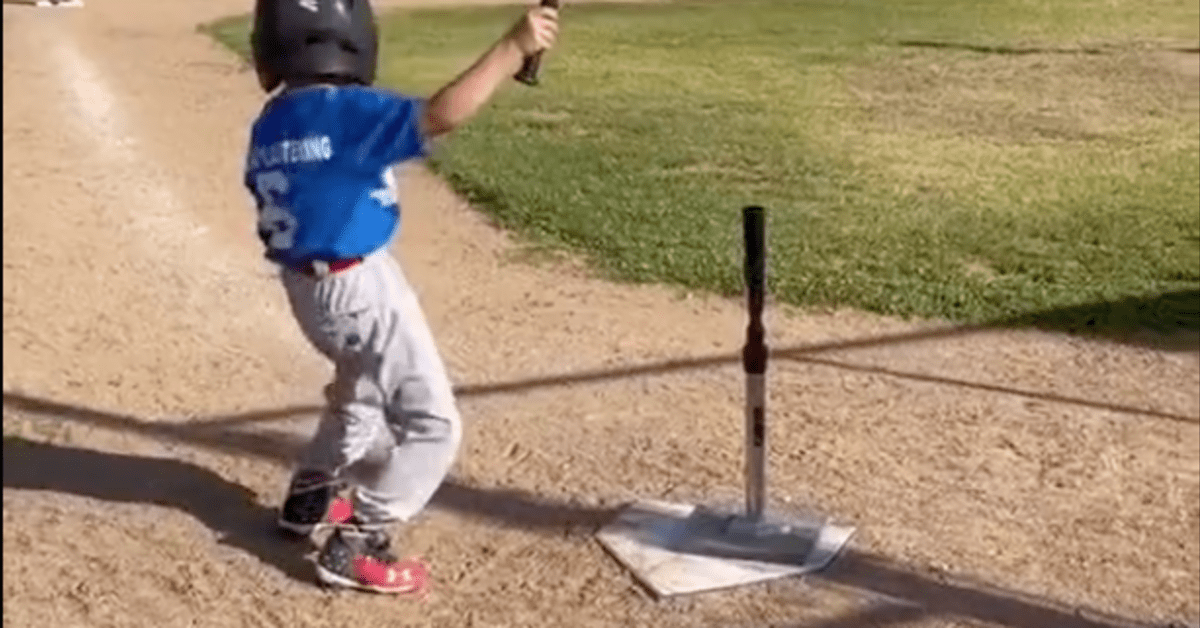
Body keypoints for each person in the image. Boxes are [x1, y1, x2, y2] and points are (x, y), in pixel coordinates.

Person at [243, 0, 558, 595]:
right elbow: (440, 114)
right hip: (357, 284)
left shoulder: (273, 120)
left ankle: (311, 496)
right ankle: (361, 538)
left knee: (358, 395)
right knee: (434, 424)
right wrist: (512, 49)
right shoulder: (344, 112)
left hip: (310, 289)